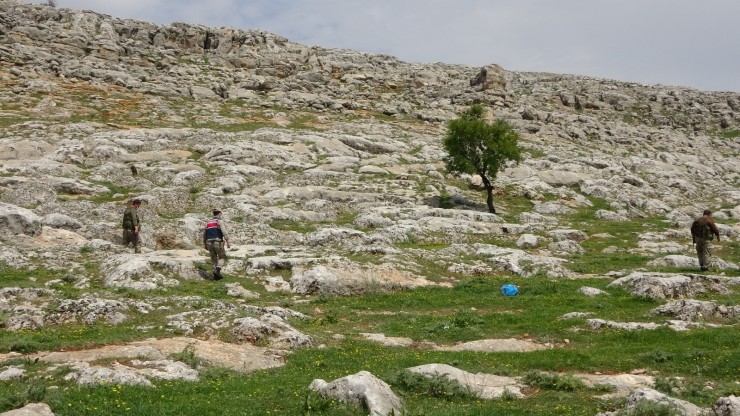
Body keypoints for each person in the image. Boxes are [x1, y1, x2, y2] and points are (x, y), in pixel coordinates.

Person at [203, 209, 230, 279]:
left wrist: (205, 244)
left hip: (208, 242)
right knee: (222, 257)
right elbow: (224, 232)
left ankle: (215, 275)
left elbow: (204, 234)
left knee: (213, 259)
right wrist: (228, 241)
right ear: (219, 213)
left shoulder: (208, 223)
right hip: (217, 242)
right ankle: (218, 270)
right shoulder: (219, 221)